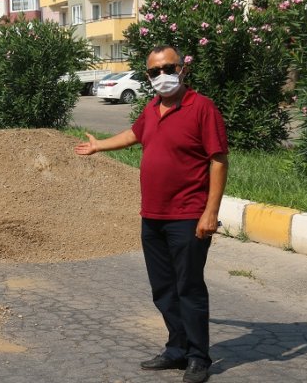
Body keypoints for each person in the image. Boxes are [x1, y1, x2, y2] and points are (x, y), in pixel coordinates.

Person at [75, 45, 228, 383]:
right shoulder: (153, 108)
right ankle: (177, 349)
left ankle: (199, 358)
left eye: (168, 68)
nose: (162, 76)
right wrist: (99, 145)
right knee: (163, 288)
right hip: (153, 216)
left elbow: (218, 160)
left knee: (188, 287)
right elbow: (135, 134)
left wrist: (210, 212)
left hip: (188, 215)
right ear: (148, 76)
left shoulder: (202, 108)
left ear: (182, 70)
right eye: (155, 72)